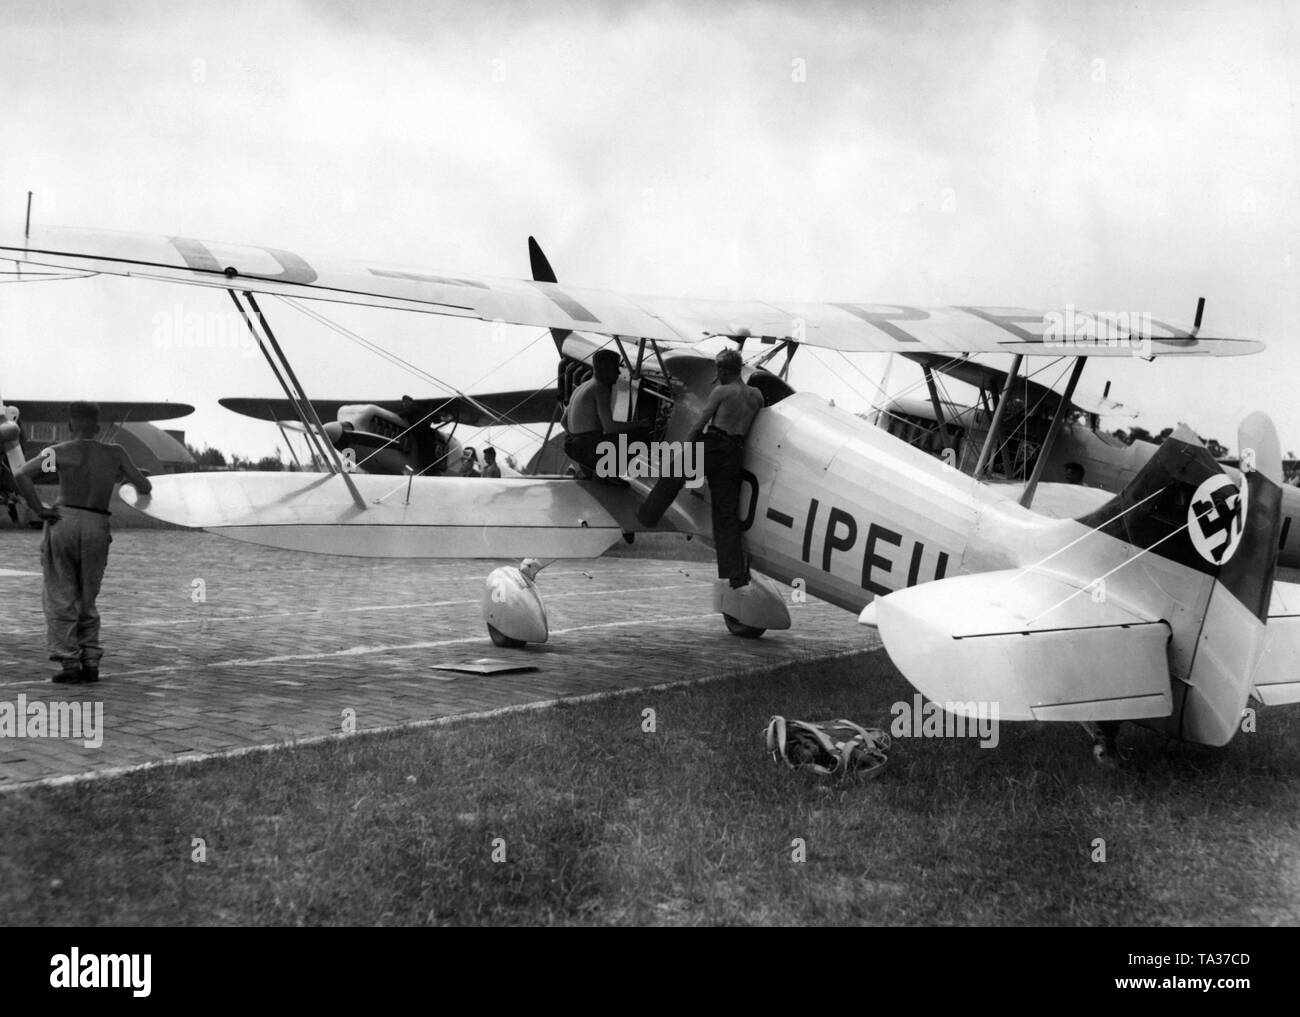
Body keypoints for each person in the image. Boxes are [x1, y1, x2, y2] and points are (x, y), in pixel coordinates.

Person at [11, 401, 152, 683]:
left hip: (64, 520)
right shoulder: (115, 453)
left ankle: (69, 664)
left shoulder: (60, 452)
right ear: (97, 427)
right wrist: (121, 474)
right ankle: (90, 662)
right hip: (96, 523)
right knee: (88, 596)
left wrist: (39, 508)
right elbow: (144, 486)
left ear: (71, 425)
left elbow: (22, 474)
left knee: (60, 594)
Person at [637, 348, 765, 588]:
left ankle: (647, 516)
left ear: (723, 370)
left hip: (714, 444)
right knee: (726, 514)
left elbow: (701, 420)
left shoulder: (722, 391)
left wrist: (687, 447)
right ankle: (735, 574)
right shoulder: (756, 395)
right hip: (735, 452)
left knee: (675, 474)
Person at [562, 349, 643, 475]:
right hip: (588, 447)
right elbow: (610, 428)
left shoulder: (581, 387)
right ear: (606, 368)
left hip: (571, 445)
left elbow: (563, 422)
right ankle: (608, 473)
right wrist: (640, 424)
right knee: (638, 438)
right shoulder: (600, 388)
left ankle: (593, 470)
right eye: (616, 367)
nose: (618, 372)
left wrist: (579, 441)